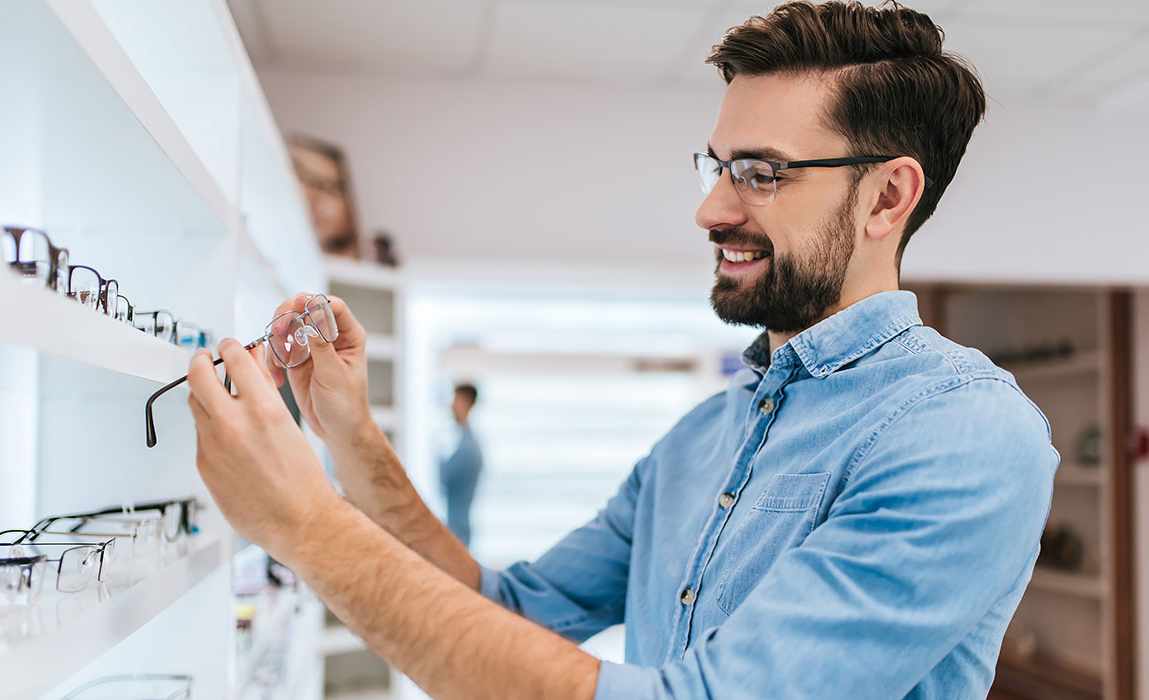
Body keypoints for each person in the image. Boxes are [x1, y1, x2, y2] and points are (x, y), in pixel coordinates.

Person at [184, 2, 1058, 698]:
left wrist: (304, 525)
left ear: (885, 199)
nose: (711, 210)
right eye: (716, 166)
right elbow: (508, 611)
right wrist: (349, 438)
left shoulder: (964, 435)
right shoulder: (696, 444)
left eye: (760, 172)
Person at [438, 383, 483, 547]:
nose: (451, 406)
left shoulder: (468, 448)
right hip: (457, 527)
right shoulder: (464, 442)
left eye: (455, 400)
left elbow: (444, 477)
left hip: (458, 530)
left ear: (465, 402)